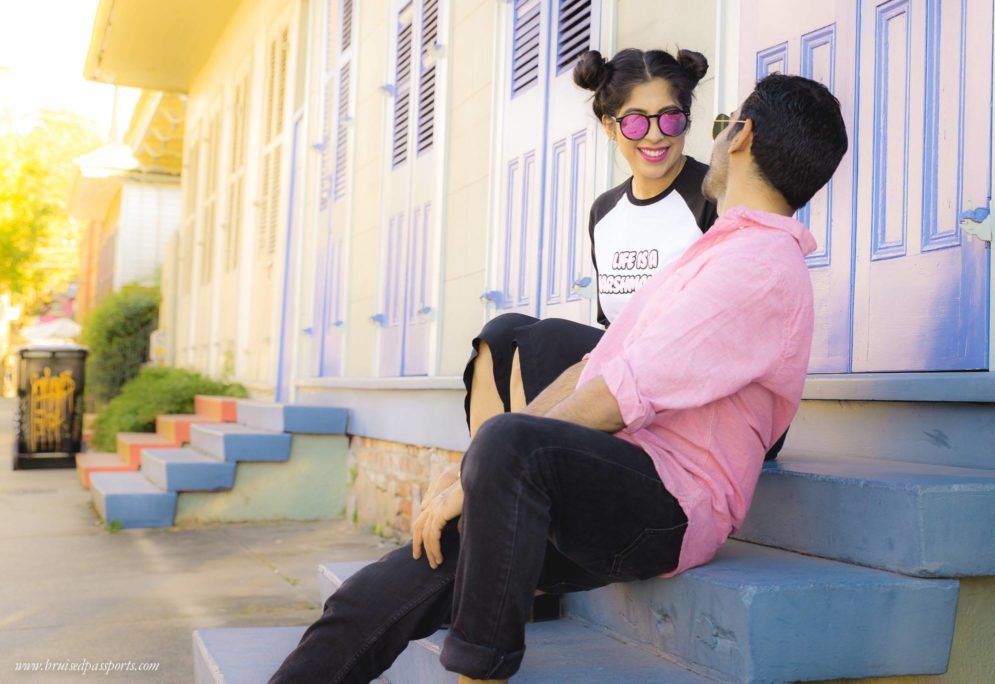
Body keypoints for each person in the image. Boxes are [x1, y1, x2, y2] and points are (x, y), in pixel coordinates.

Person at [269, 72, 848, 684]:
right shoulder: (717, 251)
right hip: (603, 480)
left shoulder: (760, 265)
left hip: (668, 508)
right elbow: (591, 368)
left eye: (724, 122)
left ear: (742, 135)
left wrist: (483, 468)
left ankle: (481, 672)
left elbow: (619, 396)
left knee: (509, 442)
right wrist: (479, 470)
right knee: (369, 598)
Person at [464, 47, 716, 438]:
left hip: (679, 378)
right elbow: (611, 325)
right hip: (619, 372)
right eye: (635, 122)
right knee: (501, 332)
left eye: (670, 118)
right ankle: (480, 469)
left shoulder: (712, 196)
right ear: (609, 126)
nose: (655, 135)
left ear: (686, 120)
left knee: (546, 338)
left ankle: (512, 462)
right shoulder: (605, 211)